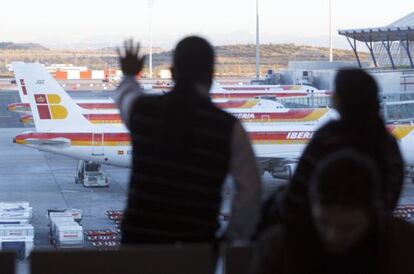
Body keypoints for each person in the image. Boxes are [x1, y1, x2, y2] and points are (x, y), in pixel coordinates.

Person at [116, 37, 261, 244]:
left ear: (172, 72)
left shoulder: (143, 111)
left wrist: (129, 74)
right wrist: (232, 238)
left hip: (140, 246)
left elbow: (125, 95)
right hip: (196, 249)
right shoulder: (228, 127)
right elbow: (251, 191)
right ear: (211, 75)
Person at [250, 150, 414, 274]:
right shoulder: (279, 248)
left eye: (348, 227)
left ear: (375, 213)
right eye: (323, 223)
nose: (333, 236)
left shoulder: (401, 246)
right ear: (310, 208)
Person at [277, 68, 404, 226]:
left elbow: (296, 195)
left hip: (323, 231)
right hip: (376, 231)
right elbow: (392, 194)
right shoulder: (388, 143)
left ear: (338, 99)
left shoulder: (326, 139)